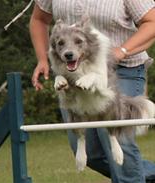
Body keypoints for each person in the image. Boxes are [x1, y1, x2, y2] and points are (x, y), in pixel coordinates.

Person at [29, 1, 155, 183]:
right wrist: (42, 58)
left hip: (122, 68)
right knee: (90, 152)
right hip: (74, 74)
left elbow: (151, 22)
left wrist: (122, 50)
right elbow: (39, 19)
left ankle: (132, 178)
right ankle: (145, 175)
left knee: (117, 141)